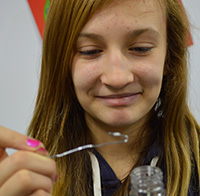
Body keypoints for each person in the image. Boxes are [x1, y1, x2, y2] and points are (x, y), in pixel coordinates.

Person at [0, 0, 199, 195]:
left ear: (169, 57)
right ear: (62, 64)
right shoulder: (30, 182)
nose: (117, 78)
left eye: (140, 48)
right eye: (91, 51)